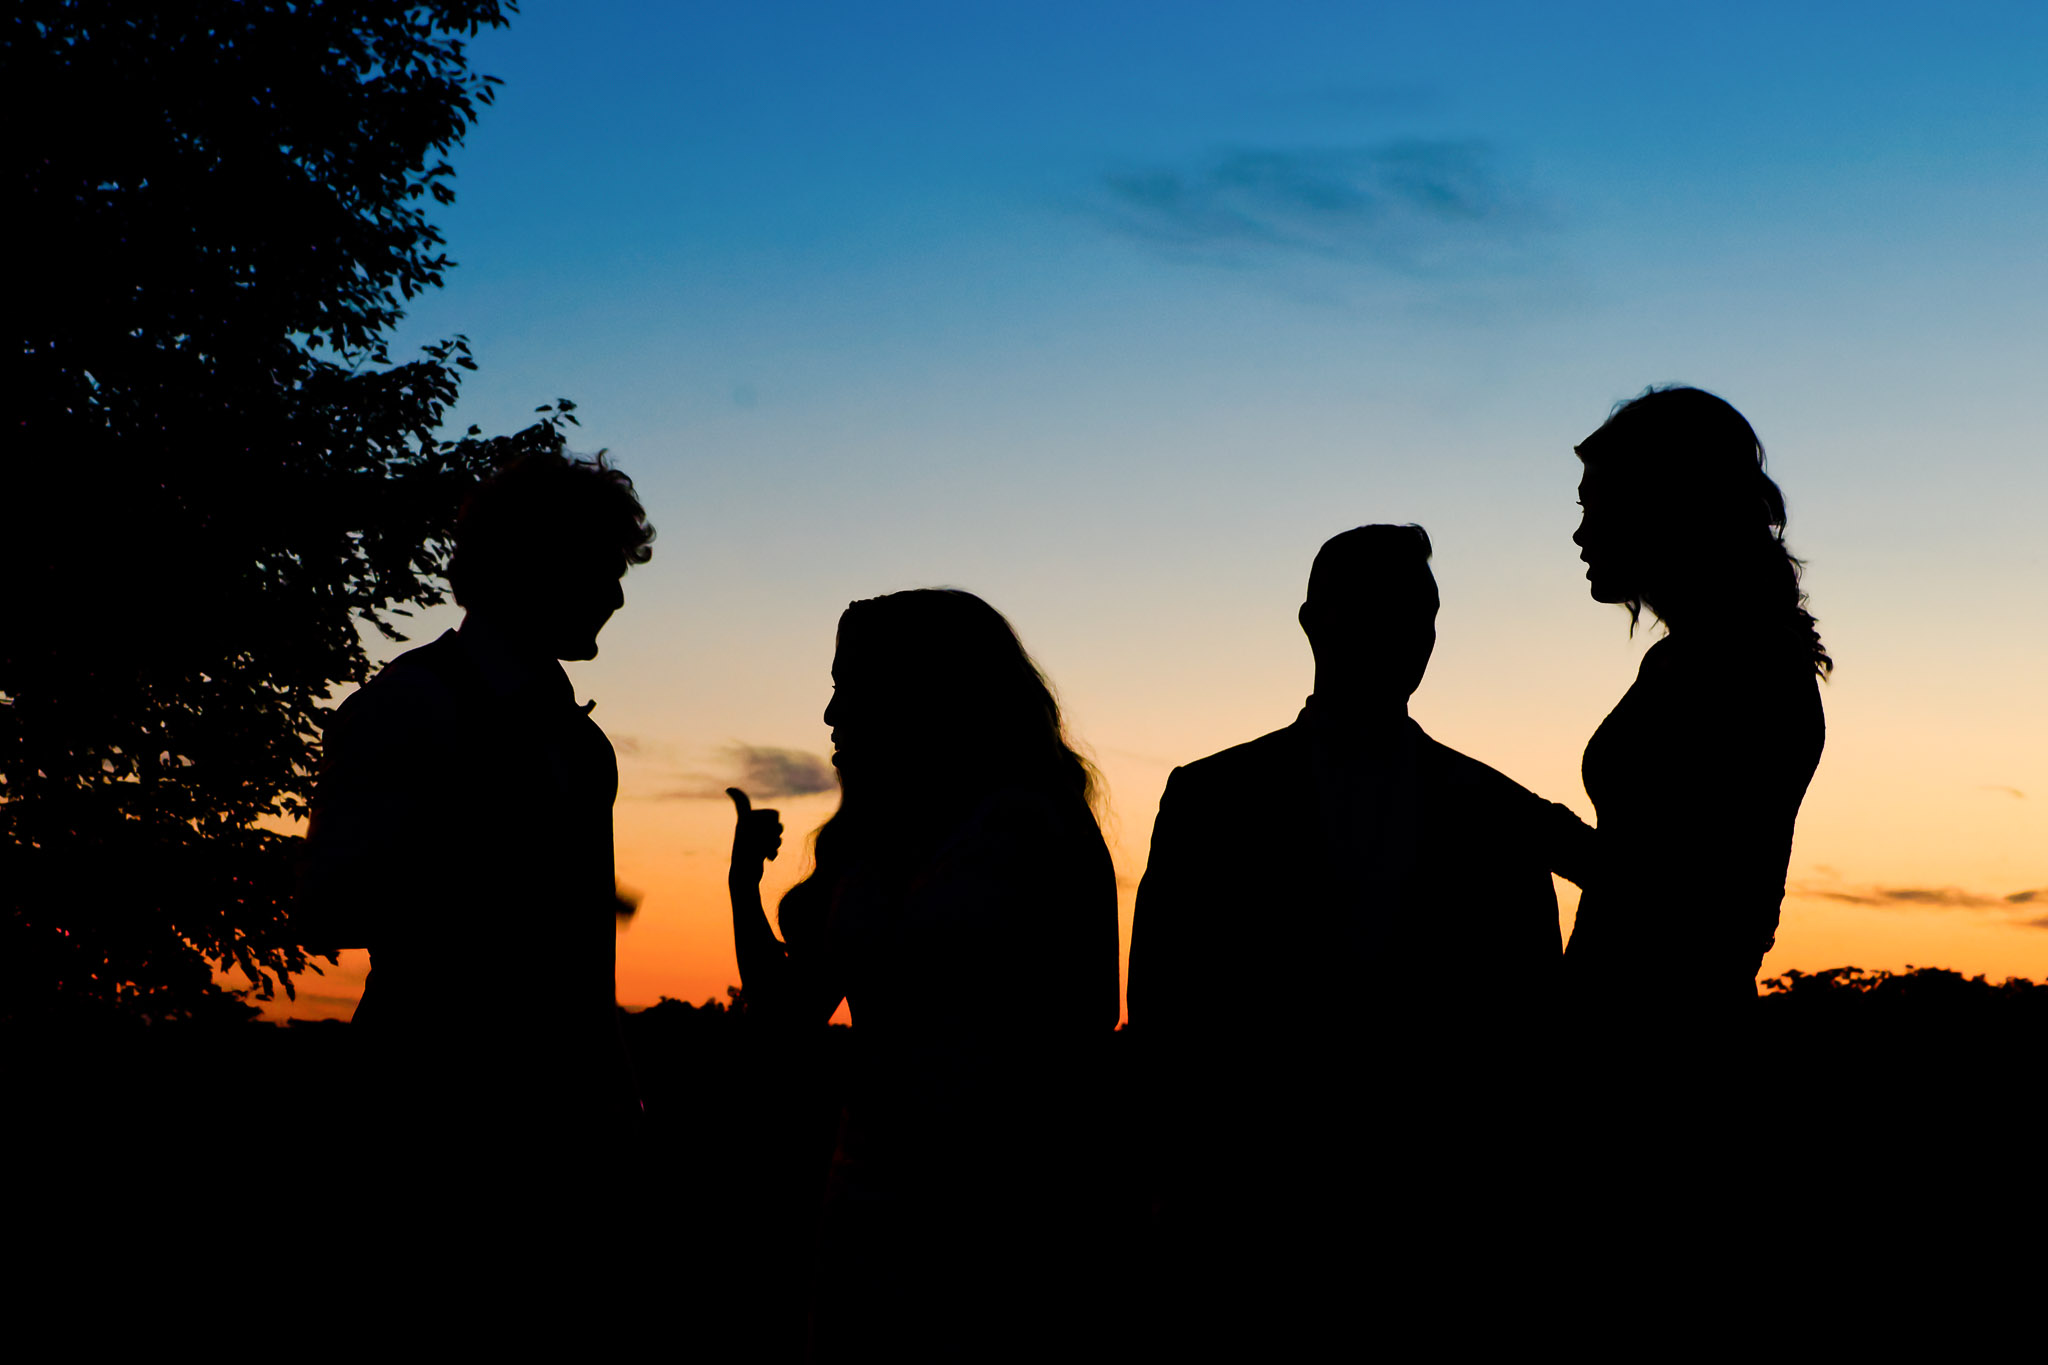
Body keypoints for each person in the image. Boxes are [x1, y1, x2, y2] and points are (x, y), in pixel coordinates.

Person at [1127, 524, 1570, 1347]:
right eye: (1383, 606)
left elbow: (1532, 1021)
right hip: (1249, 1218)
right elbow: (1161, 1009)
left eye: (1425, 612)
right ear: (1313, 620)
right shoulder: (1210, 799)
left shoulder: (1492, 809)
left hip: (1447, 1229)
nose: (1411, 631)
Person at [725, 588, 1119, 1360]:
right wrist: (742, 887)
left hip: (1008, 1211)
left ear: (925, 691)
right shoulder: (865, 842)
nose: (832, 715)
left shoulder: (1038, 825)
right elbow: (788, 1013)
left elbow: (1090, 1012)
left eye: (850, 686)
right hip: (866, 1205)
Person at [300, 448, 655, 1163]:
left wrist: (617, 1093)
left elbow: (589, 965)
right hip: (418, 1115)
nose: (616, 598)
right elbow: (323, 911)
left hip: (561, 1127)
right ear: (536, 560)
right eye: (604, 567)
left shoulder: (585, 746)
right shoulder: (407, 706)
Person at [1565, 386, 1828, 1033]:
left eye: (1593, 504)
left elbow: (1690, 900)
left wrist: (1529, 826)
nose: (1579, 531)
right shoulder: (1688, 657)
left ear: (1660, 505)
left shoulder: (1752, 661)